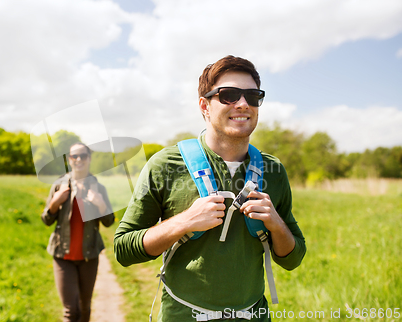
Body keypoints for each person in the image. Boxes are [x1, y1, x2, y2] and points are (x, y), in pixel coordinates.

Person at [114, 56, 306, 321]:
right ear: (204, 105)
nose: (242, 103)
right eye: (228, 95)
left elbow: (293, 259)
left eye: (252, 95)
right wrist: (184, 221)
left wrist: (276, 224)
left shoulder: (274, 171)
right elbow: (124, 249)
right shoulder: (165, 165)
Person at [41, 142, 115, 322]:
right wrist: (54, 204)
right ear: (69, 159)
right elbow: (46, 220)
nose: (79, 159)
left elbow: (109, 221)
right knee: (71, 311)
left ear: (89, 159)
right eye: (75, 156)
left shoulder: (98, 188)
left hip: (89, 256)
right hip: (62, 256)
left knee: (84, 308)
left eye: (83, 155)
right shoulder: (59, 186)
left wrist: (100, 204)